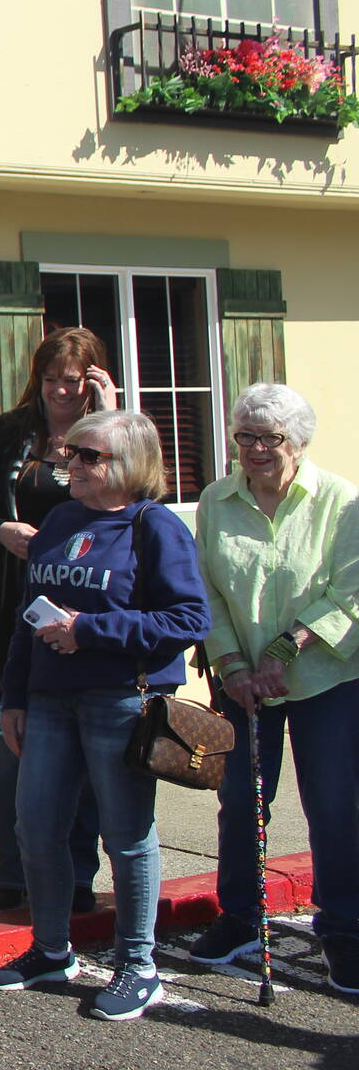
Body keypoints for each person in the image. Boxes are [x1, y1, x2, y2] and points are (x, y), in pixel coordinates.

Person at [0, 411, 208, 1020]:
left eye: (88, 455)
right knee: (36, 827)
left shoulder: (154, 525)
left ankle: (139, 965)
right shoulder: (60, 520)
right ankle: (51, 949)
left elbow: (189, 619)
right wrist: (14, 697)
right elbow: (29, 615)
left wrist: (90, 630)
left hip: (120, 699)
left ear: (129, 463)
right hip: (50, 700)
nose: (70, 464)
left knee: (126, 836)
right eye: (70, 453)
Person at [187, 384, 359, 993]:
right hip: (241, 684)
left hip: (325, 679)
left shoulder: (341, 500)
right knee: (240, 802)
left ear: (300, 443)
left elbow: (349, 593)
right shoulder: (216, 500)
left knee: (334, 806)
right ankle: (239, 916)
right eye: (246, 436)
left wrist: (284, 652)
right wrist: (233, 665)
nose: (256, 448)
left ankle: (344, 928)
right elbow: (206, 590)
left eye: (271, 437)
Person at [0, 328, 112, 913]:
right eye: (51, 380)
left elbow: (139, 496)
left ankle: (76, 875)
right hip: (11, 603)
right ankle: (13, 873)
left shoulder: (109, 436)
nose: (61, 392)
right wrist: (0, 530)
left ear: (94, 379)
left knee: (83, 747)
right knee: (6, 742)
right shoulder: (8, 433)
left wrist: (111, 416)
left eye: (74, 380)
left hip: (84, 605)